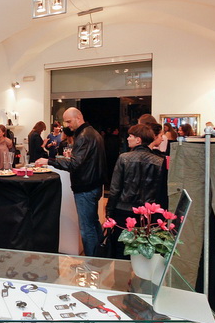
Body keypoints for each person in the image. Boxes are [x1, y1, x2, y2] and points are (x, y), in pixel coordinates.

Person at [35, 107, 106, 257]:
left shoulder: (84, 136)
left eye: (68, 121)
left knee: (87, 228)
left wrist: (49, 161)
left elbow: (74, 164)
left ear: (78, 118)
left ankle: (91, 262)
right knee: (93, 223)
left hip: (86, 187)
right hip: (93, 185)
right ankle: (100, 256)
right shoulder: (92, 133)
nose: (67, 125)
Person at [105, 124, 165, 259]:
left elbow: (115, 189)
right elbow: (160, 192)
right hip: (147, 214)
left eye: (130, 136)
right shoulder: (159, 161)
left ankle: (121, 272)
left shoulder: (124, 158)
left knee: (121, 249)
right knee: (143, 251)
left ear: (138, 140)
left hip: (123, 211)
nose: (127, 138)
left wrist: (109, 211)